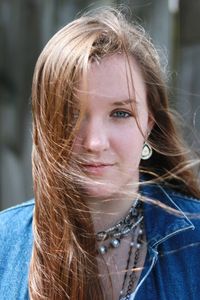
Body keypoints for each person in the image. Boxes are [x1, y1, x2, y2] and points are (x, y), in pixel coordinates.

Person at [0, 7, 200, 300]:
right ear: (44, 123)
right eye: (71, 113)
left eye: (120, 113)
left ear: (148, 126)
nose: (94, 142)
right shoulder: (5, 243)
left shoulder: (194, 242)